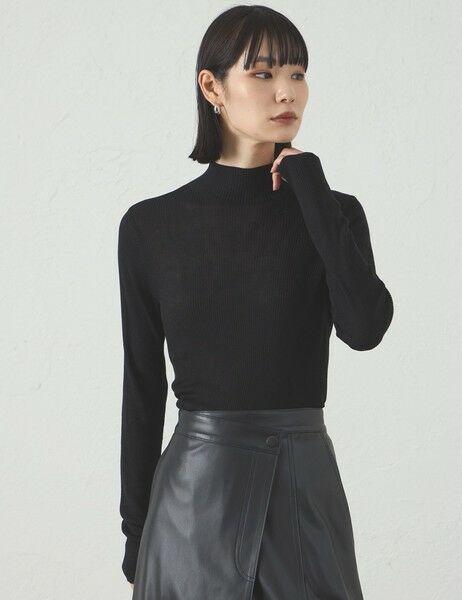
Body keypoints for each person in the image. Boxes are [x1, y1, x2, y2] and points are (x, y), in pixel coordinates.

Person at [118, 5, 394, 599]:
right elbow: (141, 384)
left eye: (297, 73)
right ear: (212, 87)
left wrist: (311, 189)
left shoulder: (334, 212)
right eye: (263, 73)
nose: (286, 92)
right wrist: (136, 529)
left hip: (305, 489)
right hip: (193, 499)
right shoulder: (151, 226)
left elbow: (365, 328)